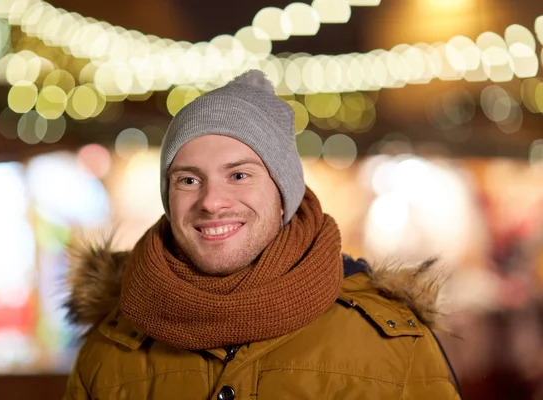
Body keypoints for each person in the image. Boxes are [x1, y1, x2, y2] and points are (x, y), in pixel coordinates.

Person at [63, 70, 461, 399]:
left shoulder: (392, 344)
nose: (212, 201)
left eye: (239, 175)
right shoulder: (111, 348)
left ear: (283, 191)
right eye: (188, 179)